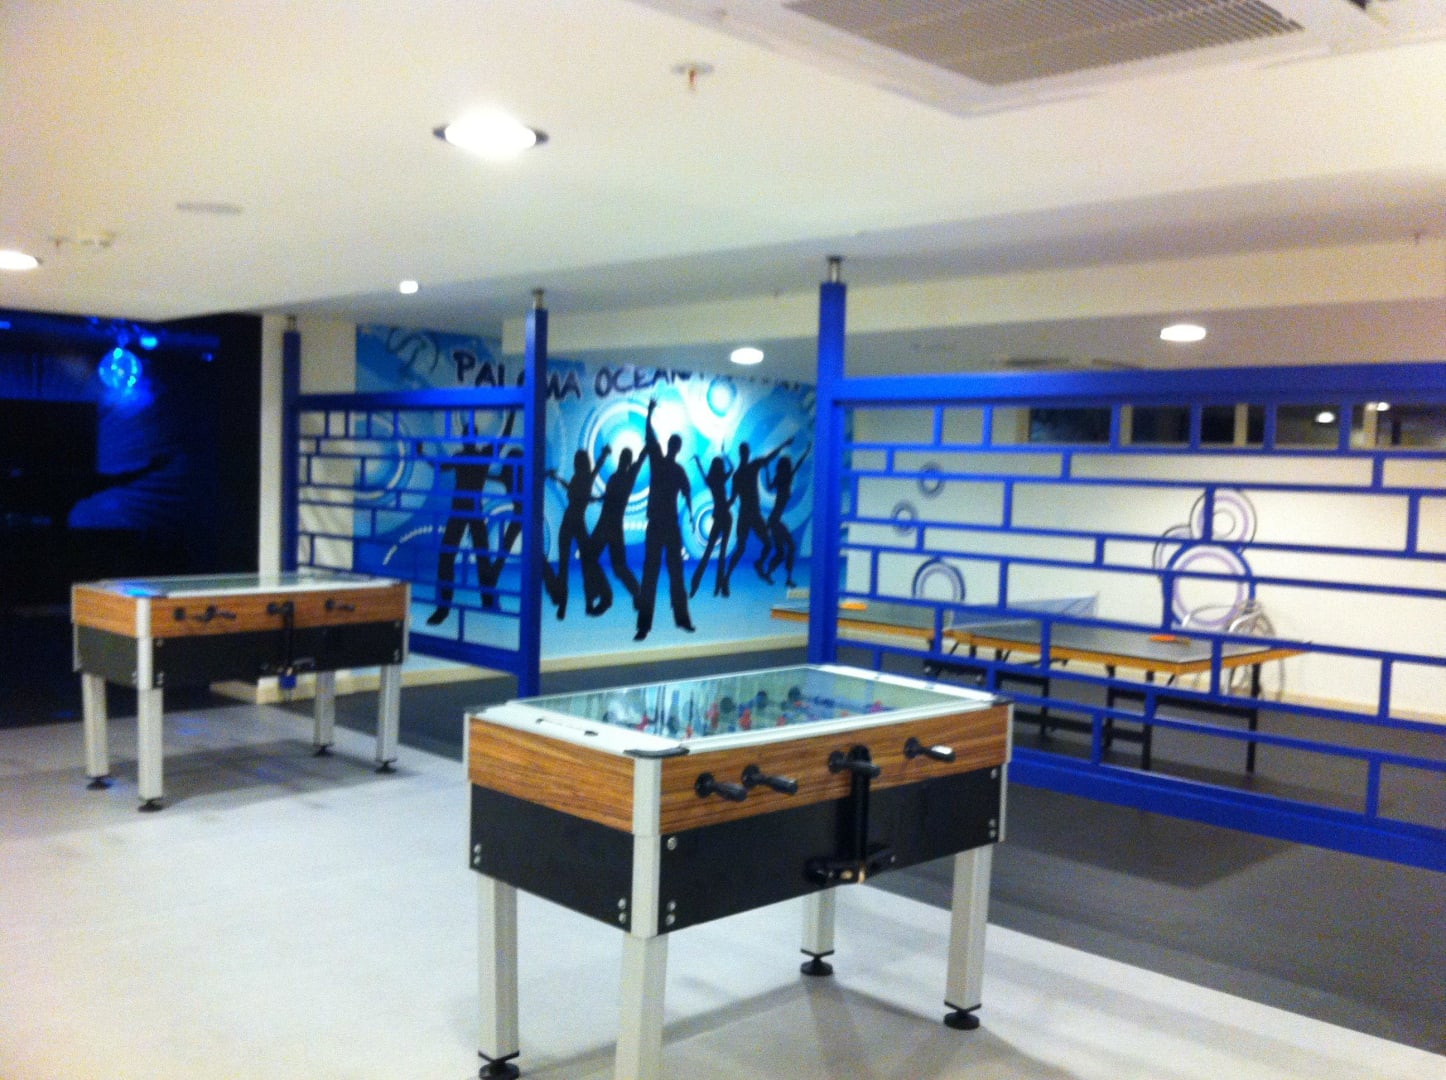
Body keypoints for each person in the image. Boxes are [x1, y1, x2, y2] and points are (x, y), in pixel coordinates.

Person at [427, 413, 505, 627]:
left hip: (462, 510)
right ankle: (486, 601)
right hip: (470, 510)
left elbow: (438, 466)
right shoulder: (480, 455)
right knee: (480, 557)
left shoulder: (464, 456)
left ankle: (445, 608)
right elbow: (503, 439)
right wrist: (511, 415)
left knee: (451, 556)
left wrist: (422, 454)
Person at [634, 399, 693, 641]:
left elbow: (649, 435)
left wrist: (649, 413)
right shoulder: (675, 469)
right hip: (667, 526)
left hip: (660, 525)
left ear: (671, 446)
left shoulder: (659, 461)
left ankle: (646, 626)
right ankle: (680, 619)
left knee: (653, 574)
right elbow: (688, 494)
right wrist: (690, 512)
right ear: (677, 448)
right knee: (671, 574)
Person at [544, 445, 610, 620]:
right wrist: (597, 498)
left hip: (569, 522)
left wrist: (557, 479)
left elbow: (576, 493)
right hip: (578, 523)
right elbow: (583, 490)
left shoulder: (579, 477)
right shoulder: (585, 477)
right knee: (586, 565)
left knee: (564, 566)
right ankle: (588, 602)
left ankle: (563, 604)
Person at [725, 435, 792, 585]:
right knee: (752, 546)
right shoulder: (748, 469)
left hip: (749, 514)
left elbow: (733, 498)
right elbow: (769, 457)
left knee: (764, 544)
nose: (746, 454)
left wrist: (783, 444)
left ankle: (735, 574)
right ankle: (728, 577)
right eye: (746, 452)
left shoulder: (741, 473)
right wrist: (784, 444)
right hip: (750, 514)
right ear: (745, 453)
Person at [589, 443, 645, 614]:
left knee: (608, 563)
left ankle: (609, 594)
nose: (621, 460)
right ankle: (633, 594)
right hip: (609, 523)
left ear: (625, 461)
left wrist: (649, 444)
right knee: (616, 566)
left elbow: (641, 458)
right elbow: (609, 496)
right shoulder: (619, 477)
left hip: (608, 524)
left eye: (623, 458)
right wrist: (598, 498)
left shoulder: (627, 476)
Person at [689, 446, 735, 598]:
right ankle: (719, 587)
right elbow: (732, 468)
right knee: (721, 553)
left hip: (719, 516)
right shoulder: (722, 478)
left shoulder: (711, 480)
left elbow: (703, 472)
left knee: (708, 552)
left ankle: (696, 585)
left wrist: (698, 462)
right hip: (726, 516)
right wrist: (725, 454)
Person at [762, 445, 810, 587]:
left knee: (782, 551)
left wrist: (766, 470)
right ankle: (786, 578)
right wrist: (806, 451)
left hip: (774, 520)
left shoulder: (780, 478)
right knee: (790, 548)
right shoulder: (788, 478)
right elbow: (798, 465)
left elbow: (769, 487)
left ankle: (770, 574)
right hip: (775, 521)